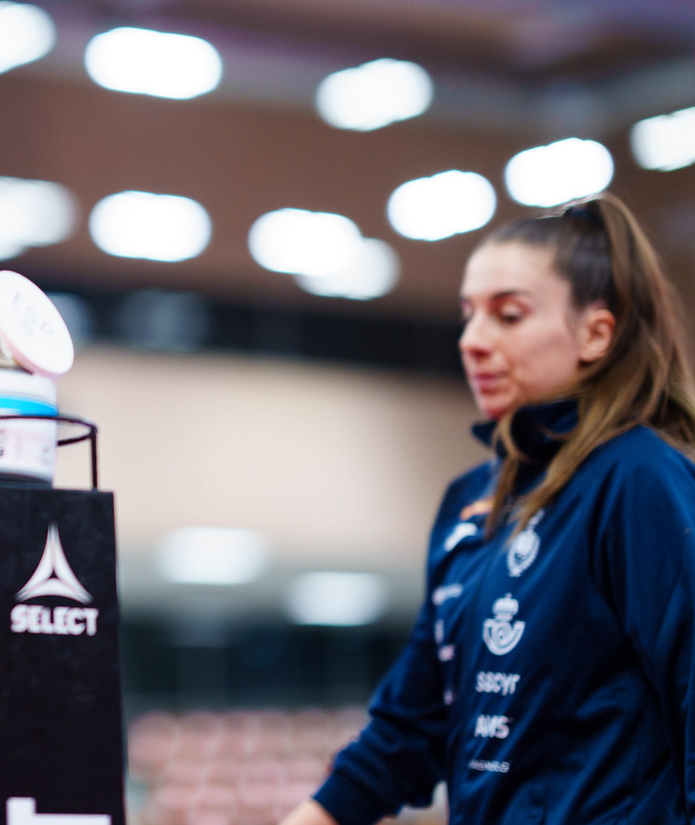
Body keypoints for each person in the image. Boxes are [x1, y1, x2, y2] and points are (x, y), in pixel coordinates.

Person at [280, 193, 695, 825]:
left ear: (595, 334)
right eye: (469, 315)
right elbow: (411, 725)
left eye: (508, 315)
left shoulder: (637, 478)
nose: (472, 341)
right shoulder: (466, 503)